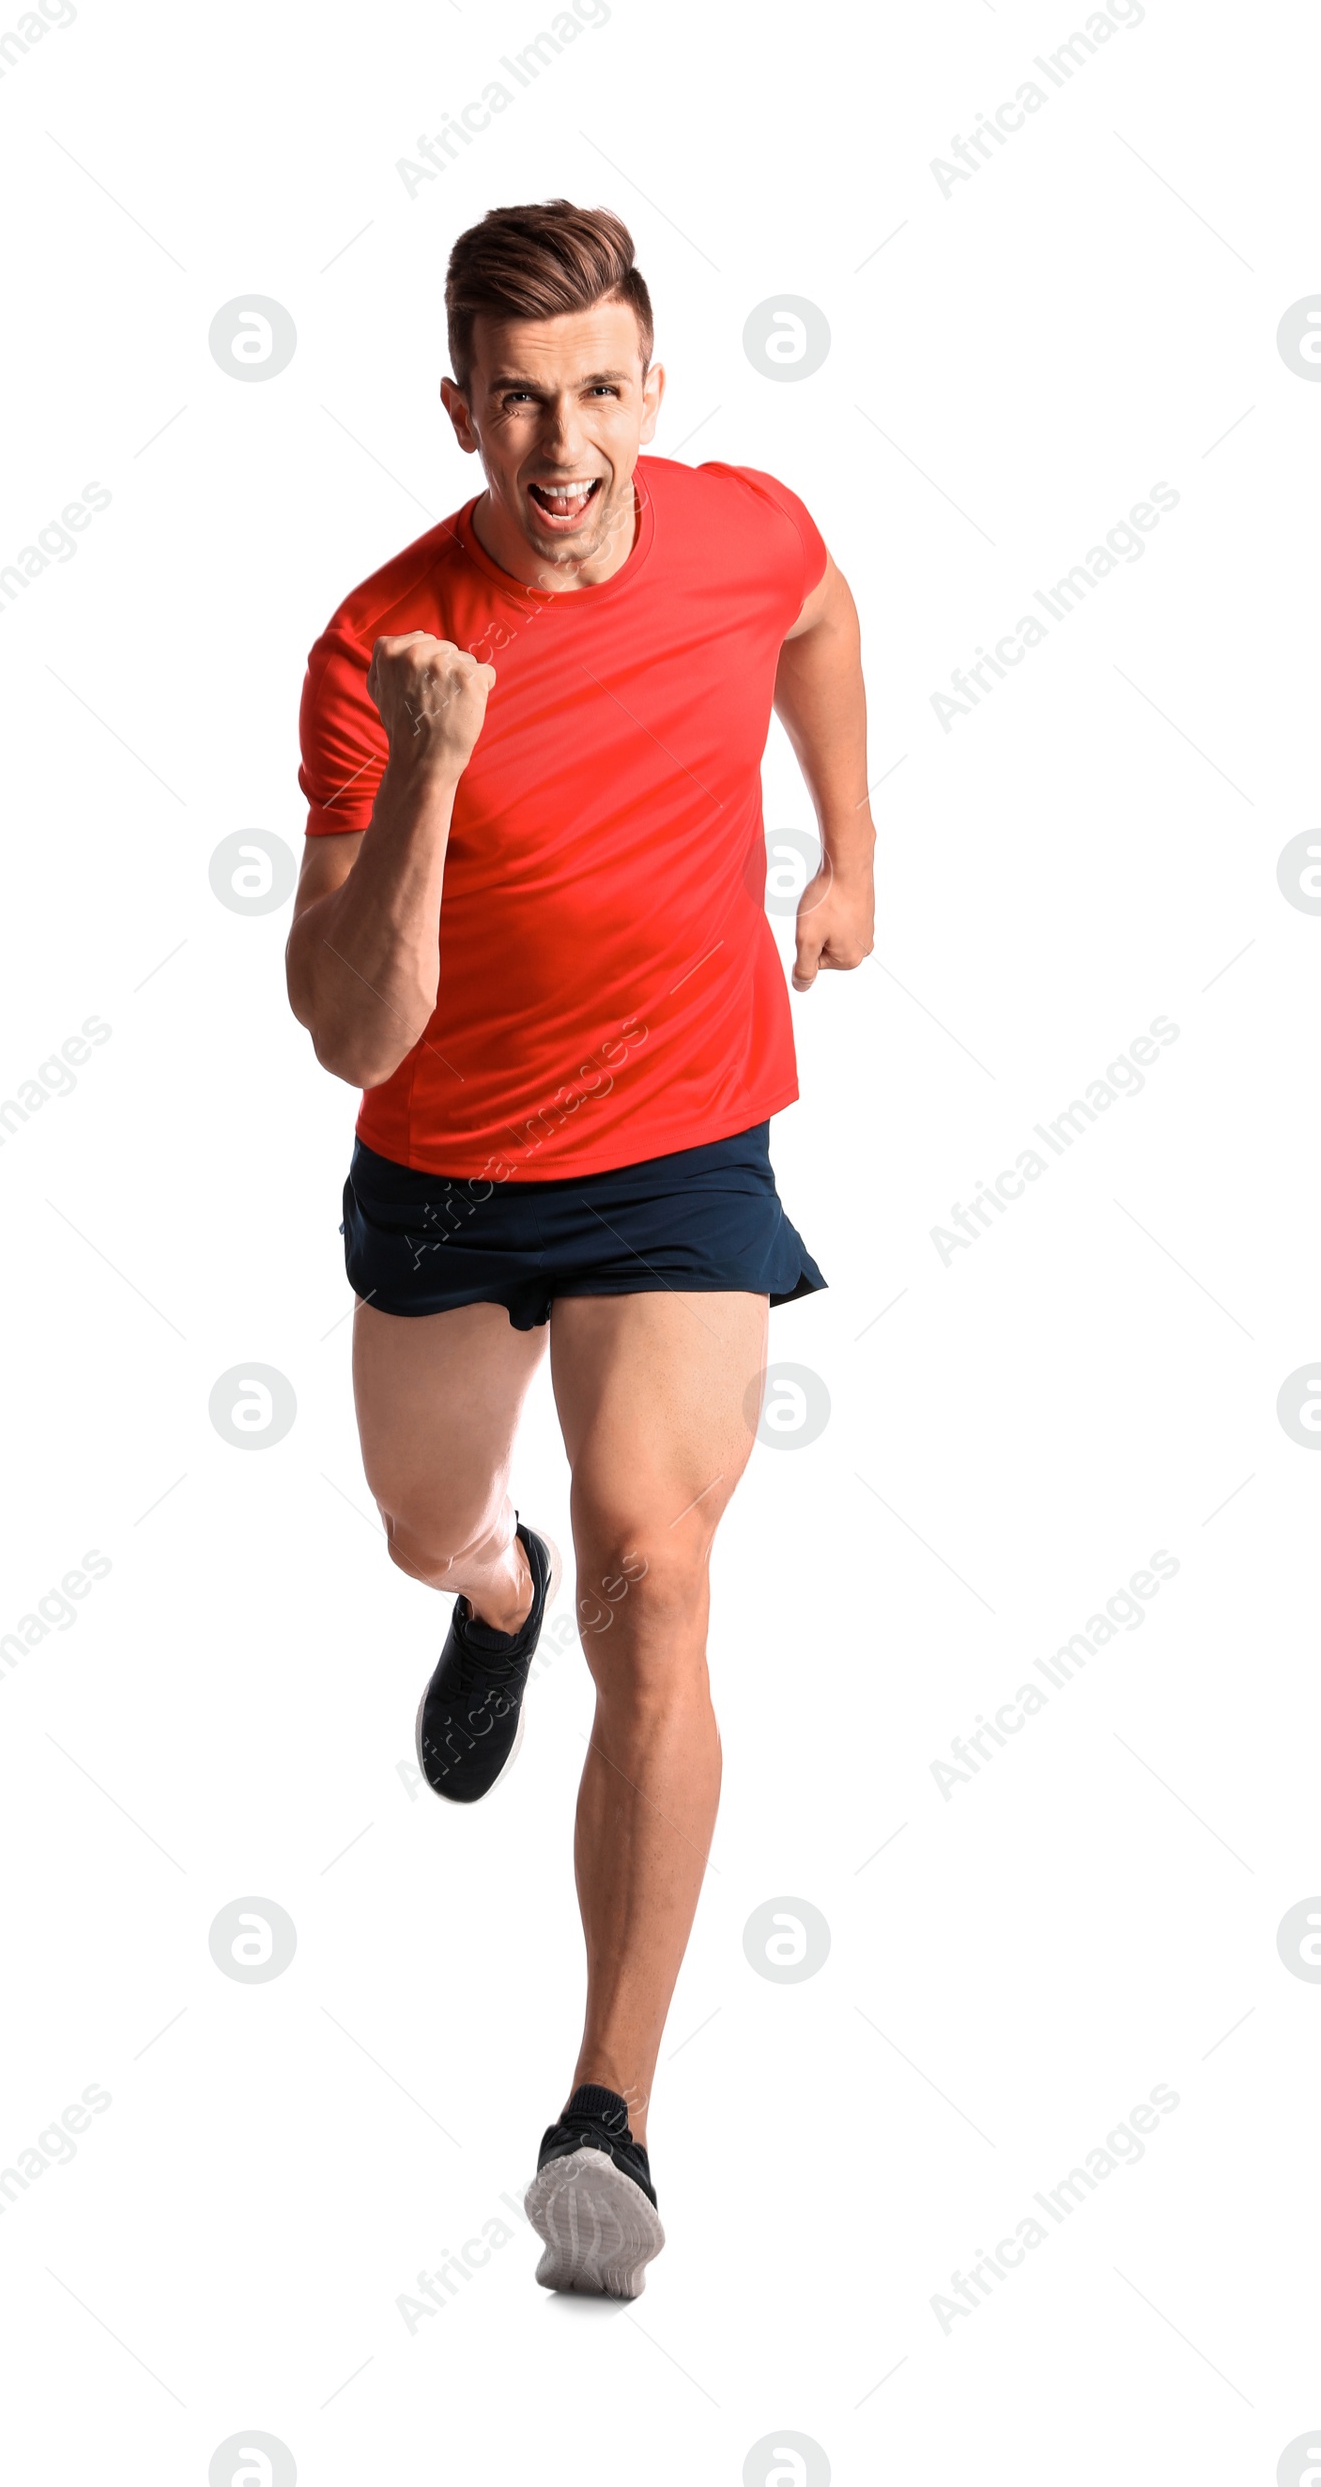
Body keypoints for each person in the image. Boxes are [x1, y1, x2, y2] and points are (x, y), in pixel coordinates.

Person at [286, 200, 874, 2298]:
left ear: (652, 389)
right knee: (418, 1525)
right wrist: (435, 766)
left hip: (681, 1143)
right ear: (455, 409)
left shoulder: (737, 529)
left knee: (665, 1567)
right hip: (446, 1171)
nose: (561, 447)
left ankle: (603, 2118)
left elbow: (812, 613)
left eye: (598, 394)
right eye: (516, 402)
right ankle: (487, 1589)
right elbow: (350, 1029)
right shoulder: (377, 649)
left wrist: (849, 848)